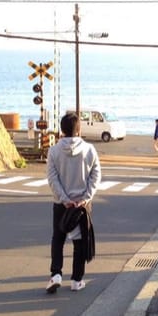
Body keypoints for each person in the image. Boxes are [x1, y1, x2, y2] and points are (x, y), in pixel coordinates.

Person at [46, 112, 102, 293]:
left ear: (62, 130)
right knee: (79, 242)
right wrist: (85, 197)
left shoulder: (53, 151)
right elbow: (96, 175)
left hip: (61, 204)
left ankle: (56, 274)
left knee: (58, 238)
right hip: (82, 206)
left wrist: (64, 199)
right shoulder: (89, 149)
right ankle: (76, 280)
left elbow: (52, 179)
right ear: (79, 129)